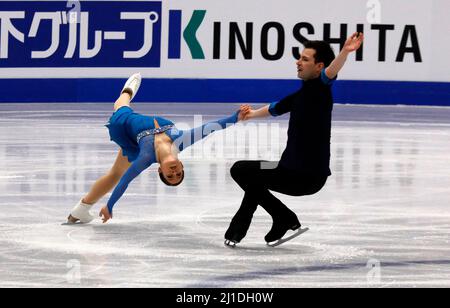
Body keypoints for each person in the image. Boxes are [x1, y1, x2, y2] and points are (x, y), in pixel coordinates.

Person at [225, 32, 365, 247]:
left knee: (247, 174)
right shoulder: (300, 96)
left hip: (305, 176)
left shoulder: (320, 89)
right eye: (300, 57)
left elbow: (331, 72)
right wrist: (249, 115)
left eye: (305, 59)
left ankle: (271, 221)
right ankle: (282, 218)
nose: (298, 62)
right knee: (244, 170)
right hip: (286, 169)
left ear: (318, 67)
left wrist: (345, 52)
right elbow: (274, 108)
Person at [67, 73, 248, 224]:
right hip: (142, 133)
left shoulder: (145, 157)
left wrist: (110, 206)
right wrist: (236, 116)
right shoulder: (181, 141)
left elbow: (125, 182)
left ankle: (127, 91)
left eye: (169, 176)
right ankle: (80, 210)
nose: (174, 173)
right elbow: (210, 128)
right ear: (182, 165)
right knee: (115, 173)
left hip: (125, 127)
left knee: (121, 105)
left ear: (160, 170)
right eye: (178, 174)